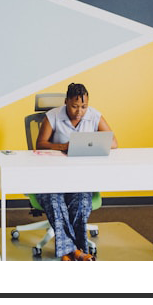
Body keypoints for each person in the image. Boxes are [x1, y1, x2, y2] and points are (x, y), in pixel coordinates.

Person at [34, 82, 118, 261]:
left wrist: (91, 143)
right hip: (51, 178)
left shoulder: (94, 116)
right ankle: (77, 252)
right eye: (74, 106)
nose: (79, 111)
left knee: (81, 203)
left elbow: (113, 143)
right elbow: (40, 144)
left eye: (84, 106)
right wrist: (63, 146)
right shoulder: (53, 116)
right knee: (54, 201)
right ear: (66, 102)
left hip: (80, 178)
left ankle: (70, 251)